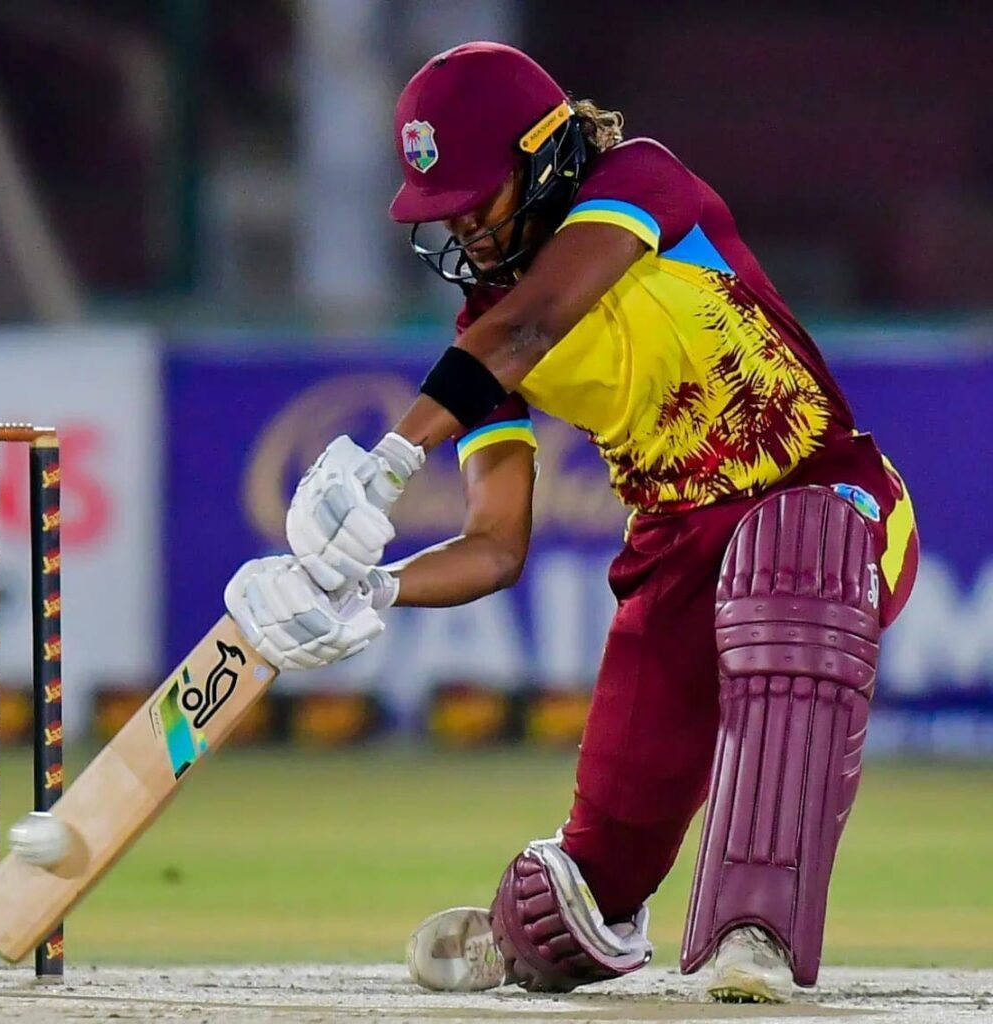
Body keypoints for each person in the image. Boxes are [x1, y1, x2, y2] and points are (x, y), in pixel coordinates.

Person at [224, 41, 919, 1004]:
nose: (462, 226)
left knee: (787, 569)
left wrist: (390, 457)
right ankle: (598, 919)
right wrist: (369, 587)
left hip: (827, 497)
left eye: (477, 195)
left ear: (548, 152)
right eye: (443, 207)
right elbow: (495, 546)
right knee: (566, 911)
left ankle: (751, 927)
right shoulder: (482, 337)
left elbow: (537, 324)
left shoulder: (642, 183)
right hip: (672, 554)